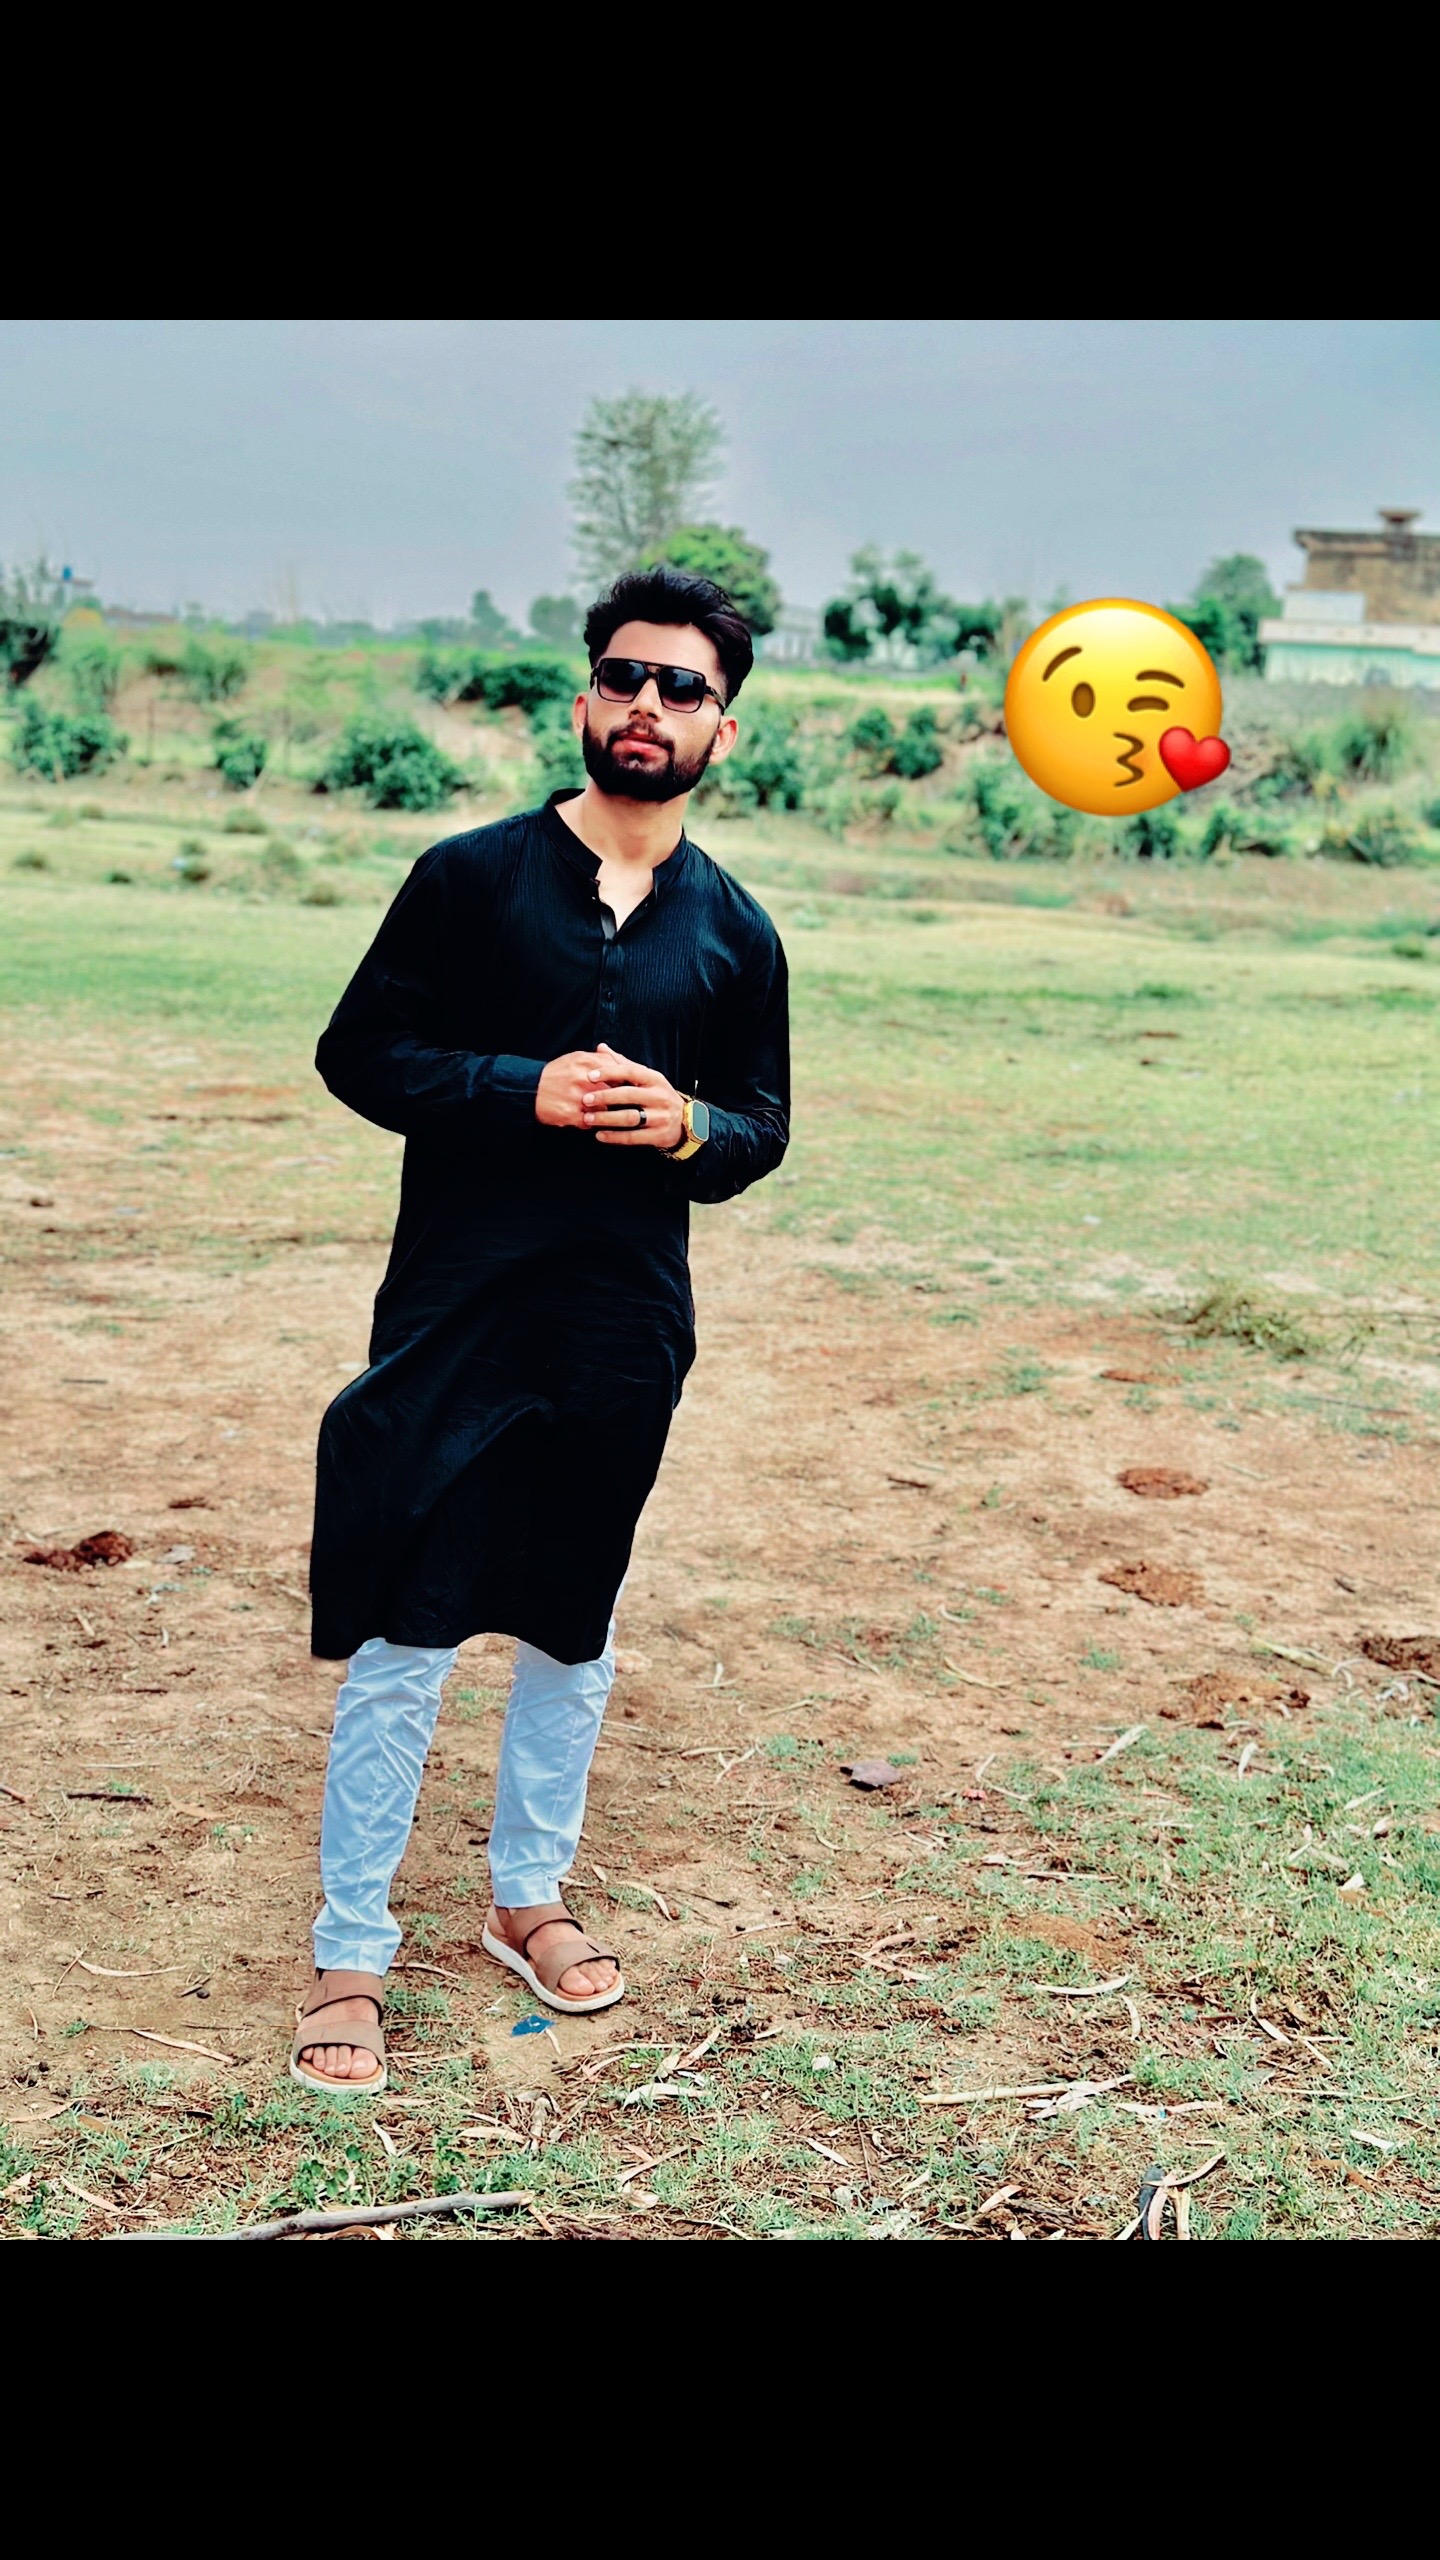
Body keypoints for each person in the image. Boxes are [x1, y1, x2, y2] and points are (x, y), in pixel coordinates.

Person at [290, 565, 790, 2091]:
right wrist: (524, 1087)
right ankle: (350, 1950)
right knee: (409, 1627)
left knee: (573, 1623)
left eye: (683, 688)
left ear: (722, 729)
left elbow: (761, 1128)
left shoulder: (739, 935)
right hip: (456, 1310)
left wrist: (687, 1123)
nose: (648, 705)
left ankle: (528, 1898)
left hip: (622, 1326)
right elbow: (360, 1053)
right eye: (625, 676)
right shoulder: (466, 878)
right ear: (585, 697)